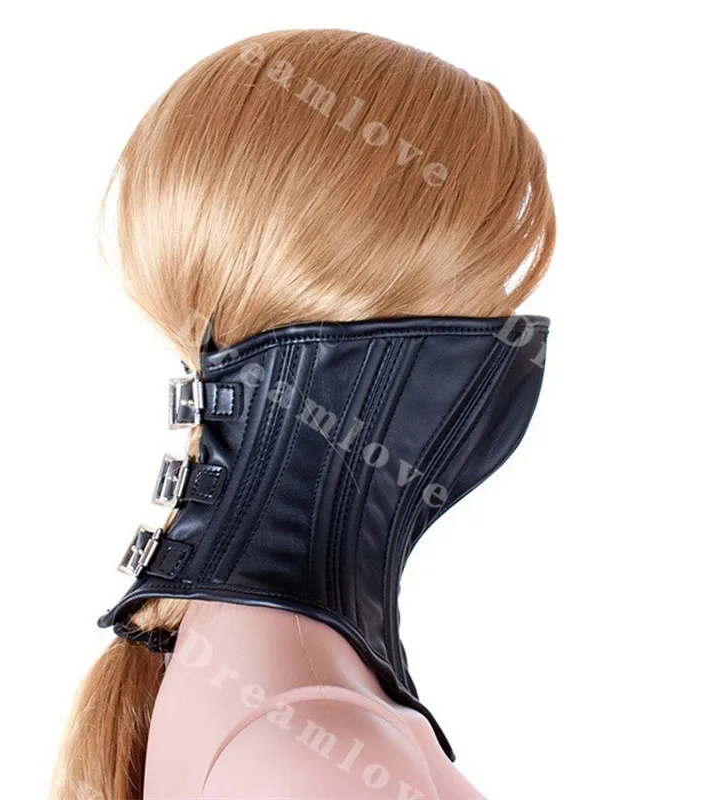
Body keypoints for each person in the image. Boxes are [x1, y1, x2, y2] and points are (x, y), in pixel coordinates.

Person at [53, 28, 555, 800]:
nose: (511, 335)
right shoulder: (314, 752)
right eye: (490, 299)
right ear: (375, 315)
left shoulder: (269, 685)